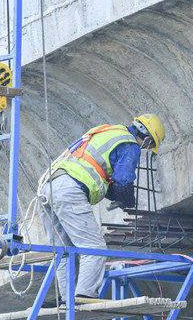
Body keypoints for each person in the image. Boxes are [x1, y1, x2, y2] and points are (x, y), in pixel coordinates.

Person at [37, 114, 166, 302]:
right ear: (146, 139)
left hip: (48, 187)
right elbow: (123, 182)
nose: (144, 148)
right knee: (93, 246)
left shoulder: (107, 131)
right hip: (69, 189)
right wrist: (128, 200)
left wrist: (115, 192)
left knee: (64, 250)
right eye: (148, 145)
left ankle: (67, 298)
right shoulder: (130, 145)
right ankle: (84, 295)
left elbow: (96, 172)